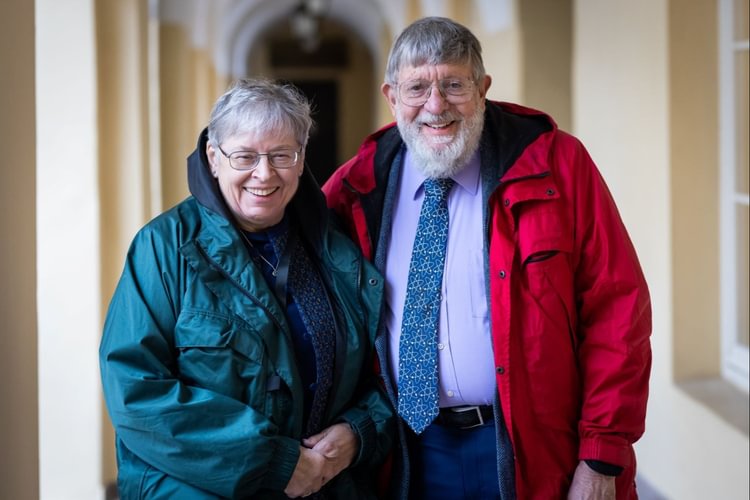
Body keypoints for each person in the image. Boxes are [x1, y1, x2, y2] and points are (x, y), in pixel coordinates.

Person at [323, 16, 652, 500]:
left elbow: (617, 308)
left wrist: (602, 455)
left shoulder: (556, 165)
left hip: (534, 448)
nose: (435, 106)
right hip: (407, 449)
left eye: (454, 84)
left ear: (483, 88)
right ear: (391, 97)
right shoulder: (355, 188)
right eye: (417, 88)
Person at [100, 78, 394, 499]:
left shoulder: (334, 247)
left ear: (301, 159)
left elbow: (386, 368)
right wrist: (275, 463)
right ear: (213, 158)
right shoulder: (165, 248)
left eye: (281, 155)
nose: (264, 173)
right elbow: (136, 392)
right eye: (245, 156)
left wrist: (359, 431)